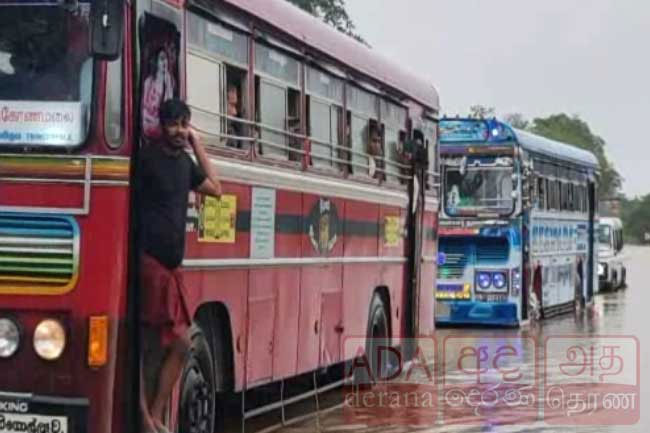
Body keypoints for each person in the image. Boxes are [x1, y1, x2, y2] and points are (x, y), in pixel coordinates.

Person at [138, 99, 221, 433]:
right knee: (148, 345)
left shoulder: (185, 164)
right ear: (161, 125)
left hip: (173, 269)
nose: (177, 131)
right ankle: (146, 418)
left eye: (183, 125)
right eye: (172, 125)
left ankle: (155, 414)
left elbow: (216, 189)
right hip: (150, 263)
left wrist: (198, 144)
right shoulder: (146, 159)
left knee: (182, 344)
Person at [142, 48, 175, 139]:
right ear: (155, 61)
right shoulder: (148, 82)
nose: (165, 62)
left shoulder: (169, 82)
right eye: (161, 59)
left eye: (166, 59)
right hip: (149, 122)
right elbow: (143, 108)